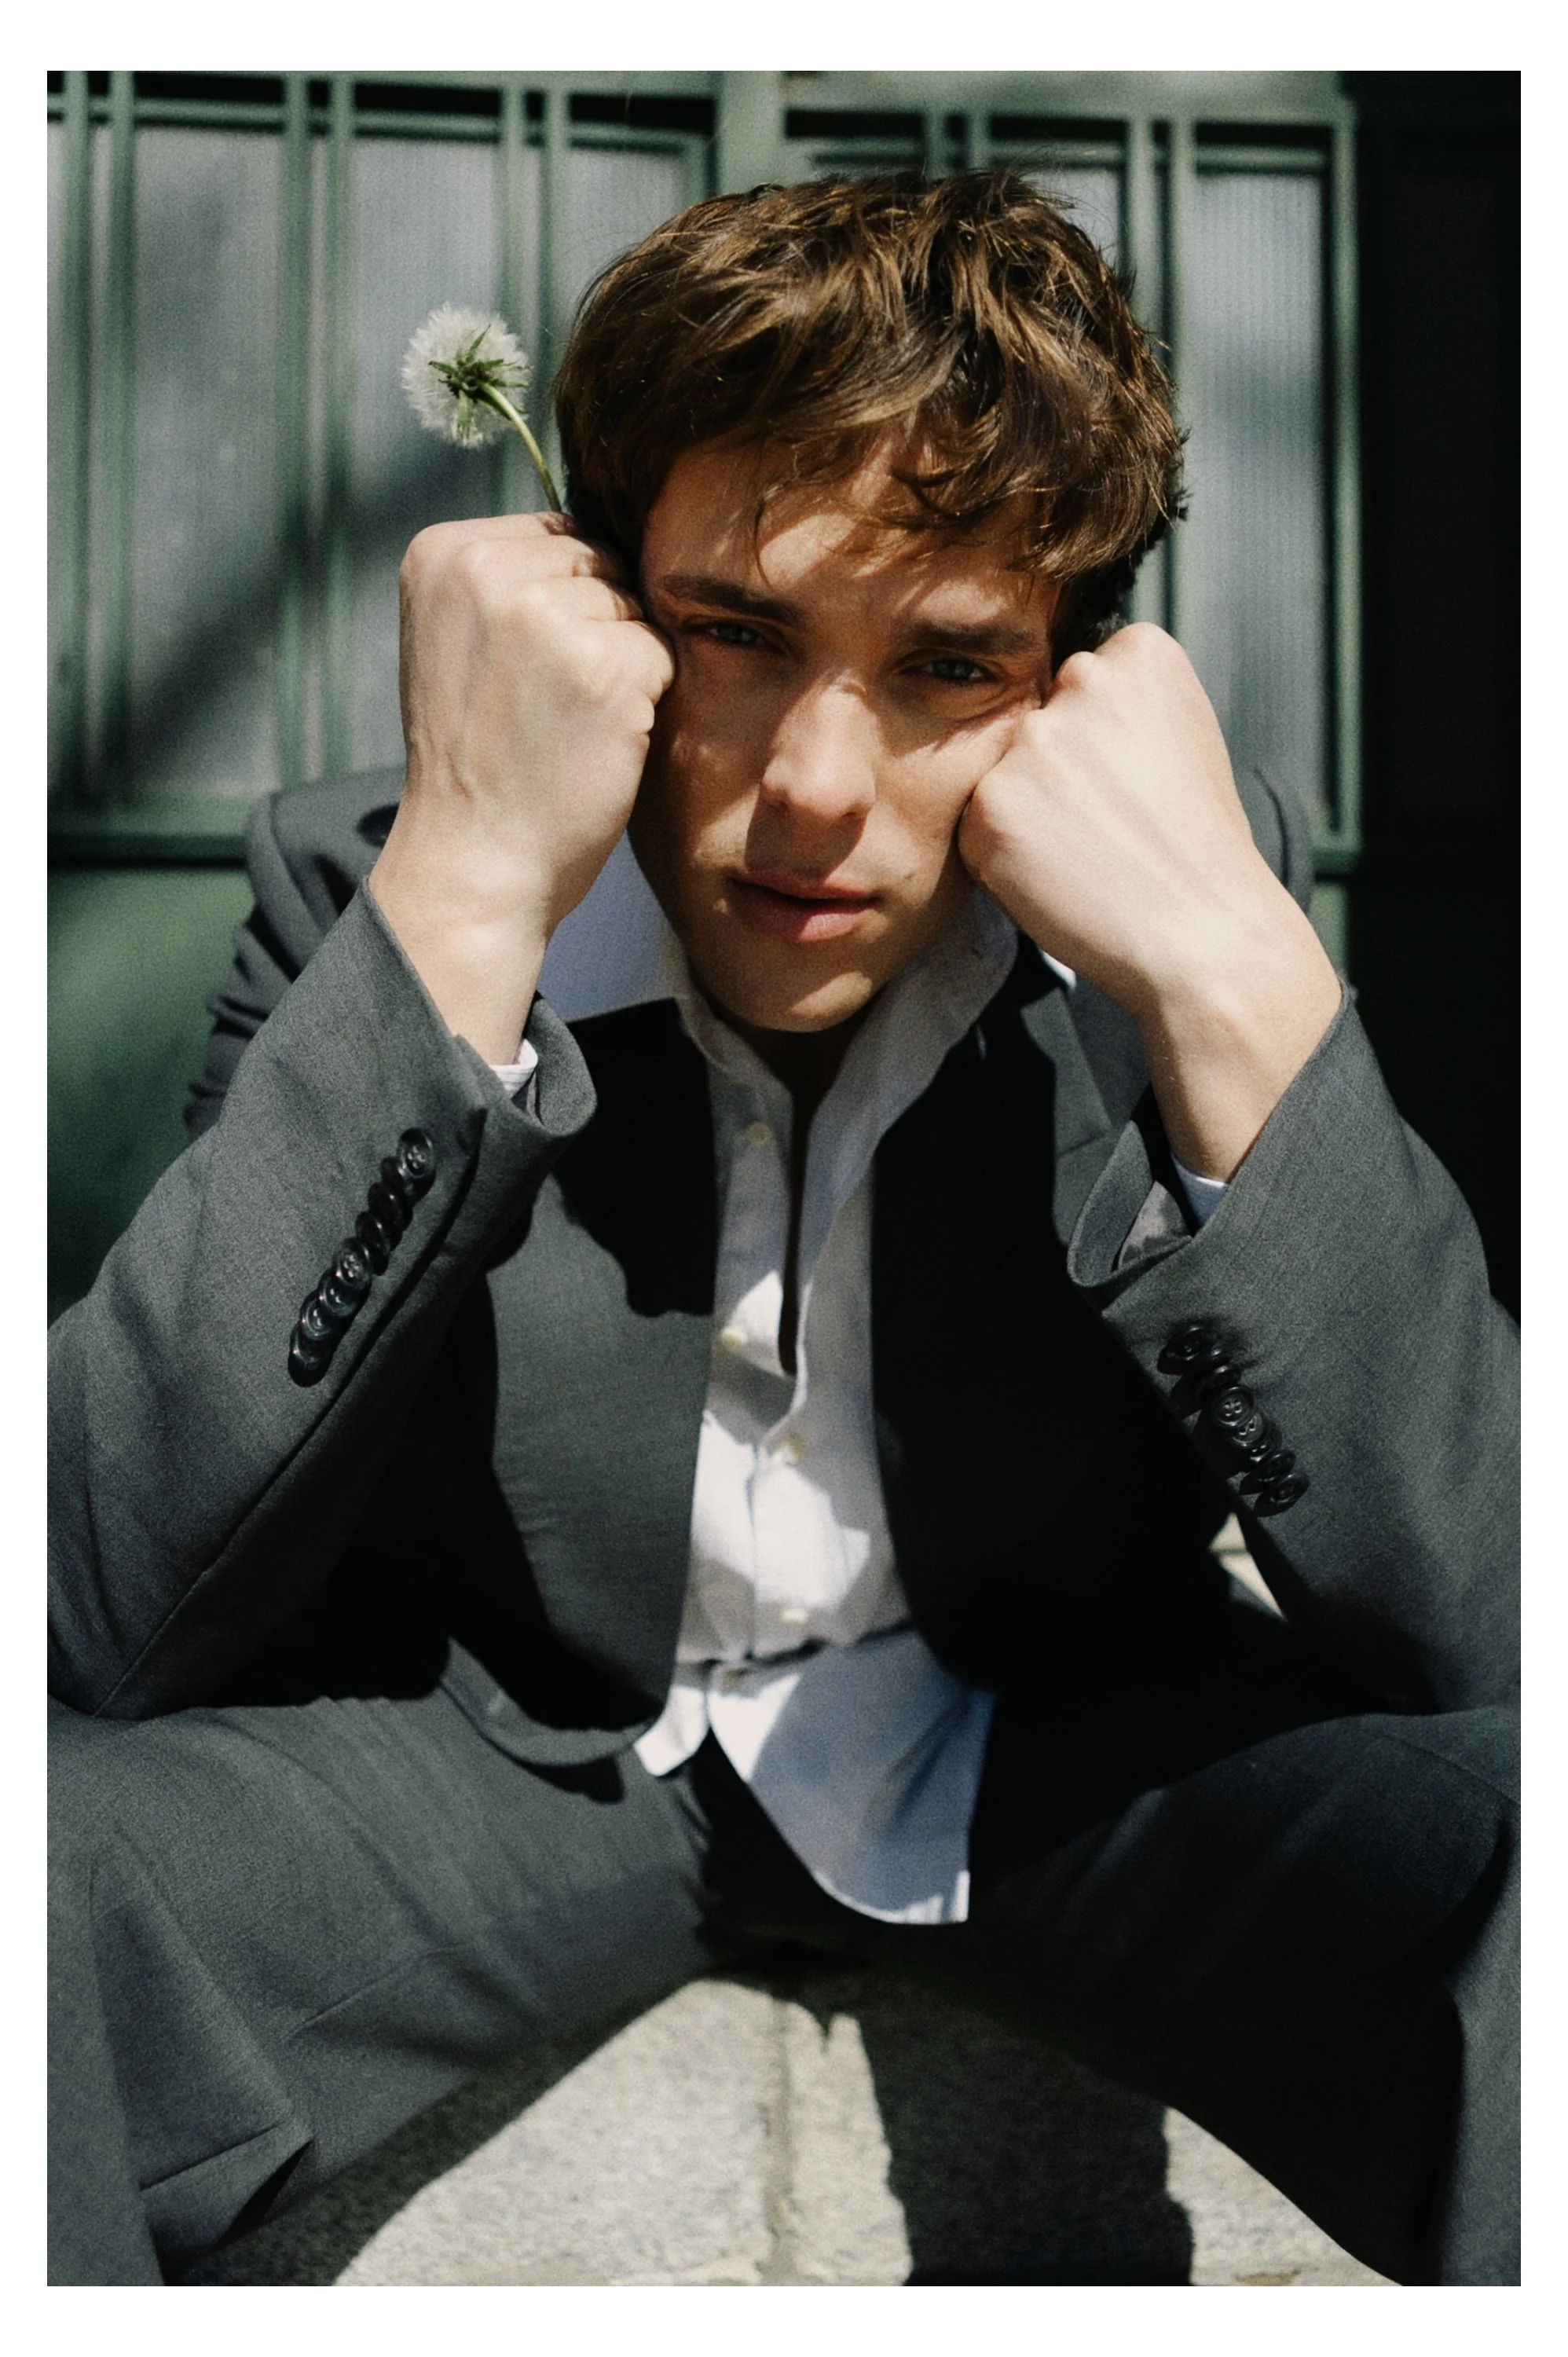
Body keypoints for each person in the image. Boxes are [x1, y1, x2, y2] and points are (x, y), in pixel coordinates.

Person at [47, 170, 1519, 2287]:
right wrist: (470, 895)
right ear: (596, 601)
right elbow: (88, 1611)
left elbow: (1492, 1630)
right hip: (506, 1766)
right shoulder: (381, 886)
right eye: (736, 633)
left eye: (946, 663)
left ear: (1069, 677)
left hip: (1059, 1752)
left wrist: (1224, 975)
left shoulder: (1188, 895)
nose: (818, 787)